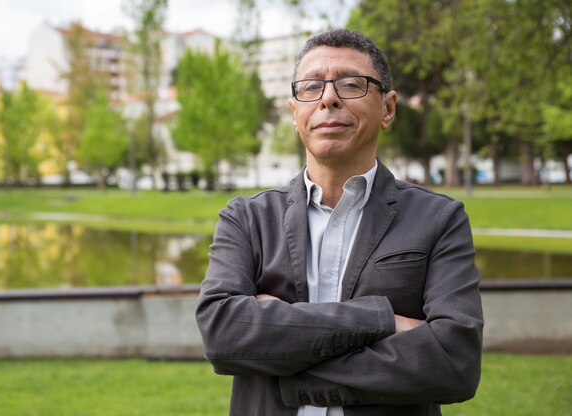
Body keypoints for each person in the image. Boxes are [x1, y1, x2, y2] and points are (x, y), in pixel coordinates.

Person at [196, 28, 483, 416]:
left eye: (351, 84)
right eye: (312, 87)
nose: (328, 98)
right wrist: (383, 320)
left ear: (388, 108)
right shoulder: (246, 219)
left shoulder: (439, 219)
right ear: (294, 112)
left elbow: (454, 361)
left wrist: (286, 363)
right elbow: (222, 333)